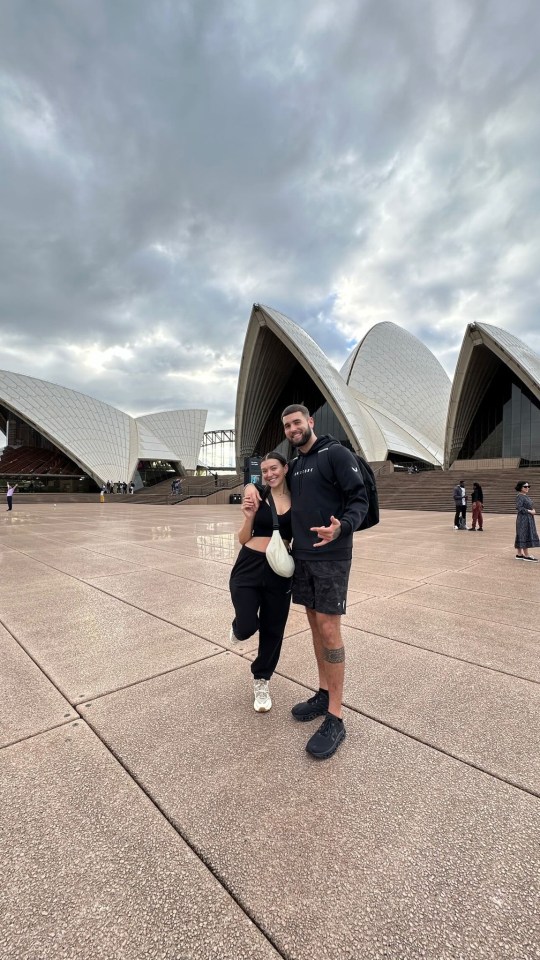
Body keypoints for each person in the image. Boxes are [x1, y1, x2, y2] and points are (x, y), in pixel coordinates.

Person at [244, 405, 368, 759]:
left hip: (332, 556)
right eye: (287, 425)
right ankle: (324, 692)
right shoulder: (295, 464)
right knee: (314, 625)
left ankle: (336, 716)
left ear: (310, 423)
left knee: (329, 629)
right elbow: (270, 478)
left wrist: (341, 526)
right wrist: (249, 486)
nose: (293, 428)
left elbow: (358, 499)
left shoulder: (335, 454)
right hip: (304, 558)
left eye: (297, 422)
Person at [229, 452, 293, 713]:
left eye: (274, 468)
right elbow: (243, 538)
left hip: (278, 570)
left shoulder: (299, 500)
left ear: (285, 469)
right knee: (246, 626)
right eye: (265, 470)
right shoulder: (258, 495)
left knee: (273, 630)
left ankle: (261, 679)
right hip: (249, 566)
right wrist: (247, 517)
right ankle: (238, 628)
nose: (269, 474)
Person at [515, 481, 539, 561]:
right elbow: (519, 508)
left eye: (528, 486)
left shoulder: (525, 496)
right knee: (524, 534)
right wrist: (530, 511)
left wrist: (533, 510)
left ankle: (519, 554)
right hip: (523, 519)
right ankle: (526, 555)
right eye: (525, 486)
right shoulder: (520, 496)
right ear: (520, 488)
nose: (527, 488)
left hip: (528, 518)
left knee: (522, 534)